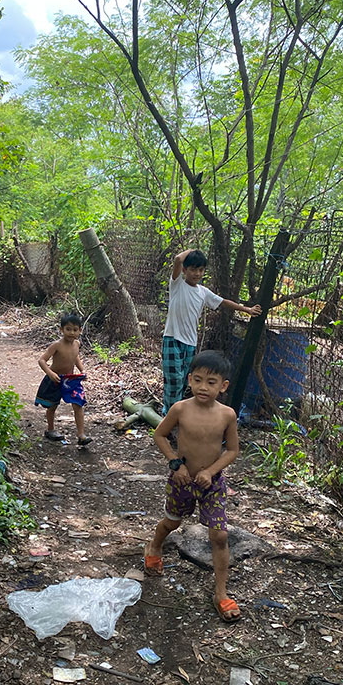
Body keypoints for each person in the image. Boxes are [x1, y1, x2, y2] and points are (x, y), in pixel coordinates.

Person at [144, 350, 241, 622]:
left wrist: (210, 471)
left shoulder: (227, 415)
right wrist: (176, 464)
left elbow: (232, 450)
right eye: (197, 380)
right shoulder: (180, 409)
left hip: (212, 484)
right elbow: (160, 435)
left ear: (223, 386)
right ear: (189, 380)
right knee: (171, 522)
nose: (203, 387)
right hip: (181, 481)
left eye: (211, 382)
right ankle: (154, 547)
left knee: (219, 535)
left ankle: (220, 593)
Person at [162, 248, 262, 415]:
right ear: (185, 270)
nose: (197, 274)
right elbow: (178, 259)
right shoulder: (177, 284)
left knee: (184, 381)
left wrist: (246, 309)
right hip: (173, 339)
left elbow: (223, 301)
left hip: (190, 343)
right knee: (173, 381)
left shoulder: (203, 292)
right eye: (193, 269)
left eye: (201, 270)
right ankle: (169, 416)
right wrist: (194, 250)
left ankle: (177, 414)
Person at [35, 312, 91, 446]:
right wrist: (49, 373)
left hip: (71, 380)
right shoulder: (57, 345)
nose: (71, 332)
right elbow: (42, 360)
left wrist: (82, 370)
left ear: (80, 331)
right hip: (55, 379)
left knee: (78, 404)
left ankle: (81, 435)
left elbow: (76, 357)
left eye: (75, 330)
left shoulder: (77, 344)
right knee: (52, 405)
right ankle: (50, 430)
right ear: (61, 330)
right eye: (68, 329)